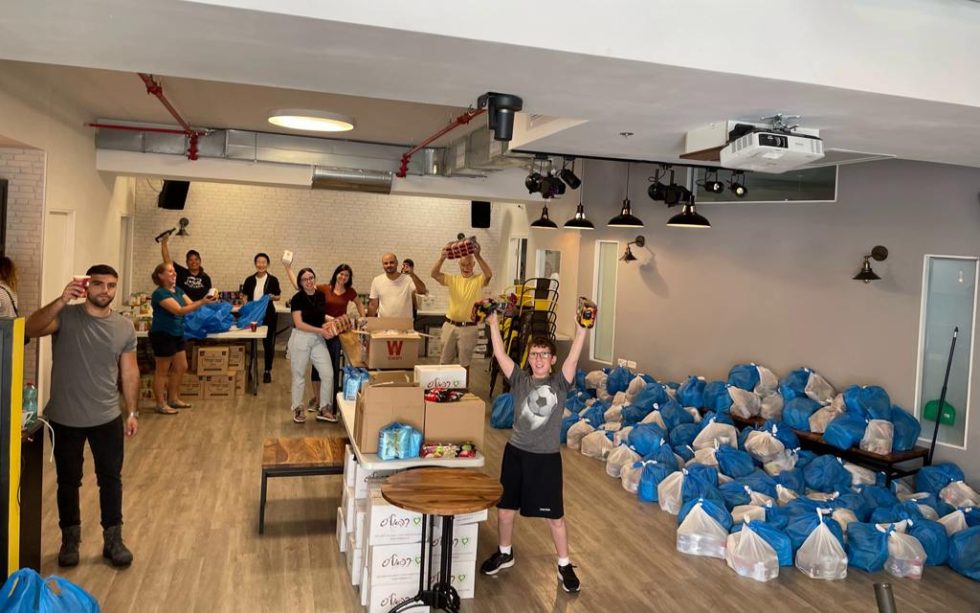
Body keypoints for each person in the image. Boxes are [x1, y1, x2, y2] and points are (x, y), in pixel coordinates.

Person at [24, 265, 139, 568]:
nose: (105, 290)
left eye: (111, 285)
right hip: (65, 417)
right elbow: (30, 329)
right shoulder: (66, 316)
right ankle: (70, 540)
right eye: (98, 284)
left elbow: (129, 372)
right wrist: (62, 299)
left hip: (107, 416)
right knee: (67, 481)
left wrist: (132, 411)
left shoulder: (124, 327)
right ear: (87, 286)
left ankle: (113, 540)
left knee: (111, 480)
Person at [480, 310, 589, 593]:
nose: (538, 359)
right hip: (515, 454)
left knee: (555, 518)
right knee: (505, 511)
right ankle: (505, 552)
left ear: (553, 360)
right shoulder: (520, 380)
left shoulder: (559, 384)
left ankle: (564, 564)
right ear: (528, 359)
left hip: (546, 460)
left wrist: (581, 331)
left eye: (544, 355)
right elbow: (500, 354)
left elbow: (573, 359)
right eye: (534, 354)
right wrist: (494, 324)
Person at [285, 261, 366, 411]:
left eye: (346, 275)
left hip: (333, 333)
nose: (343, 277)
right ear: (336, 274)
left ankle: (327, 404)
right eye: (341, 274)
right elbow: (300, 288)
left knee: (329, 370)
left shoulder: (346, 292)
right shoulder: (322, 290)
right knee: (309, 371)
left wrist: (361, 318)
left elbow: (359, 304)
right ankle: (314, 401)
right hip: (317, 331)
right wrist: (288, 267)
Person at [149, 262, 217, 414]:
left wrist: (208, 300)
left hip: (177, 333)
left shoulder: (178, 290)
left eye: (174, 271)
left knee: (181, 367)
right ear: (160, 276)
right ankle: (160, 404)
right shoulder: (160, 294)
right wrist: (202, 301)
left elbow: (191, 305)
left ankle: (173, 399)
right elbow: (179, 310)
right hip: (163, 334)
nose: (174, 274)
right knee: (162, 371)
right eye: (170, 271)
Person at [431, 245, 493, 378]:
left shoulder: (478, 280)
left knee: (464, 364)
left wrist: (478, 255)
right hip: (449, 325)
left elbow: (489, 274)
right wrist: (442, 258)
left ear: (473, 264)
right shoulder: (452, 279)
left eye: (469, 264)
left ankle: (464, 389)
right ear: (459, 264)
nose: (466, 267)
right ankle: (443, 386)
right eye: (463, 265)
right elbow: (434, 274)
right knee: (444, 362)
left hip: (469, 328)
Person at [287, 267, 338, 423]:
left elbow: (320, 316)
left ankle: (324, 408)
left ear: (314, 279)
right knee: (299, 375)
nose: (308, 281)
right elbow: (299, 323)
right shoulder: (297, 299)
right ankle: (298, 409)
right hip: (301, 338)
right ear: (300, 282)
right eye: (305, 279)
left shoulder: (320, 295)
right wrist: (321, 331)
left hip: (317, 339)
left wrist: (333, 322)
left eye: (311, 278)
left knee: (328, 374)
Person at [240, 253, 281, 383]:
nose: (261, 264)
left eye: (264, 262)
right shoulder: (249, 280)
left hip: (268, 315)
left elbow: (278, 296)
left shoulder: (273, 280)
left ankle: (267, 370)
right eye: (258, 262)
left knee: (268, 344)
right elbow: (245, 296)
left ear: (267, 264)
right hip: (253, 315)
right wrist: (245, 305)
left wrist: (271, 297)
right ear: (255, 264)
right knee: (251, 343)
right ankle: (250, 370)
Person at [367, 253, 427, 319]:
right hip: (384, 322)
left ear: (397, 263)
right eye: (386, 263)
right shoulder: (377, 280)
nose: (389, 265)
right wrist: (369, 322)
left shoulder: (408, 279)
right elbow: (373, 305)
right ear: (383, 265)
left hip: (405, 323)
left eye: (391, 262)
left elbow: (422, 291)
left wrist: (412, 274)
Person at [160, 234, 212, 301]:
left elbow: (209, 296)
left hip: (202, 306)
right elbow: (167, 261)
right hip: (184, 306)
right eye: (190, 260)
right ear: (187, 262)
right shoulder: (181, 273)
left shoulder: (206, 278)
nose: (194, 262)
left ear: (200, 261)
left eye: (196, 259)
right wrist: (164, 243)